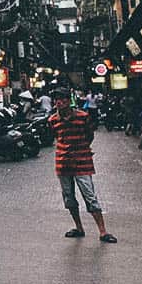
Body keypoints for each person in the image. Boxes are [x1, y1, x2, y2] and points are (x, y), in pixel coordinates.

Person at [48, 88, 116, 244]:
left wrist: (81, 149)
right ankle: (79, 227)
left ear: (69, 100)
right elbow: (57, 138)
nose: (60, 102)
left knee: (89, 196)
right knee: (69, 197)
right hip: (63, 163)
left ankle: (103, 231)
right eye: (57, 99)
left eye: (63, 99)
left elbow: (89, 135)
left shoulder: (82, 117)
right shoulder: (52, 120)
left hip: (82, 162)